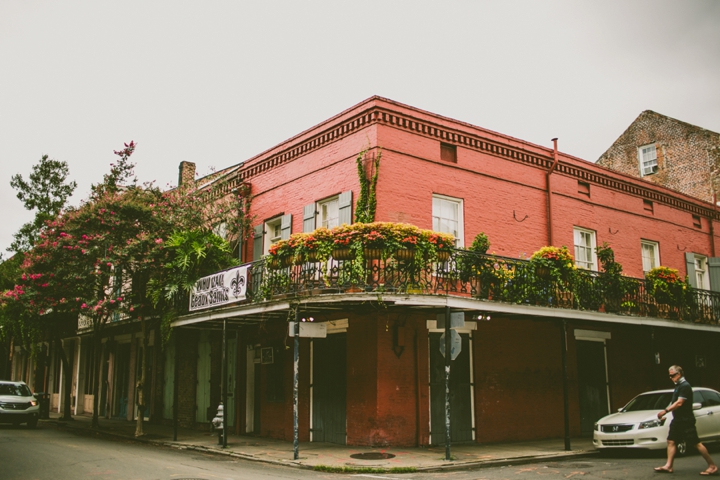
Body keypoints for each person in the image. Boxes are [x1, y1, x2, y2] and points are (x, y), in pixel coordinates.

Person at [654, 365, 718, 475]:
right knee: (671, 441)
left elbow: (679, 403)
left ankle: (712, 466)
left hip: (685, 420)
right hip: (678, 419)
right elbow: (675, 402)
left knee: (696, 443)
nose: (671, 378)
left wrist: (665, 411)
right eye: (669, 376)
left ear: (679, 374)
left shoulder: (685, 386)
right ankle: (669, 466)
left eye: (672, 375)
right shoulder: (678, 386)